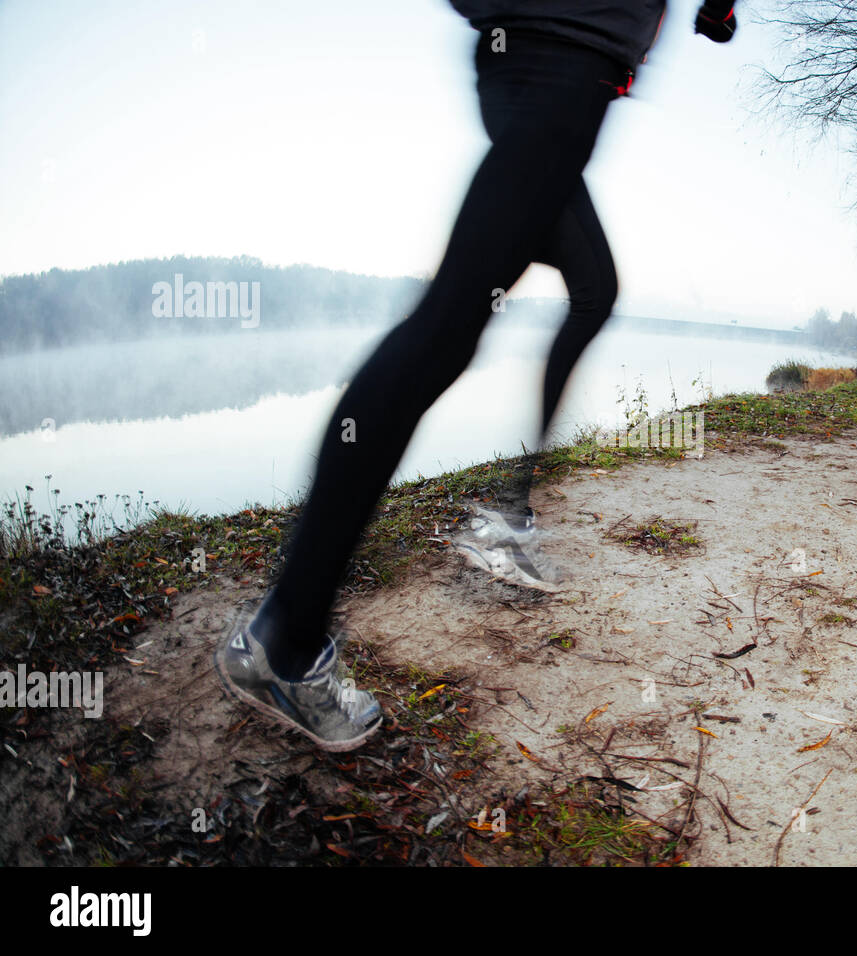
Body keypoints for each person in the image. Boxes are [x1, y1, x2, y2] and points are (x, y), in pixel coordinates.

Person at [214, 1, 739, 751]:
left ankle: (510, 513)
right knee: (447, 329)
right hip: (558, 64)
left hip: (552, 66)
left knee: (588, 290)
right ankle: (287, 638)